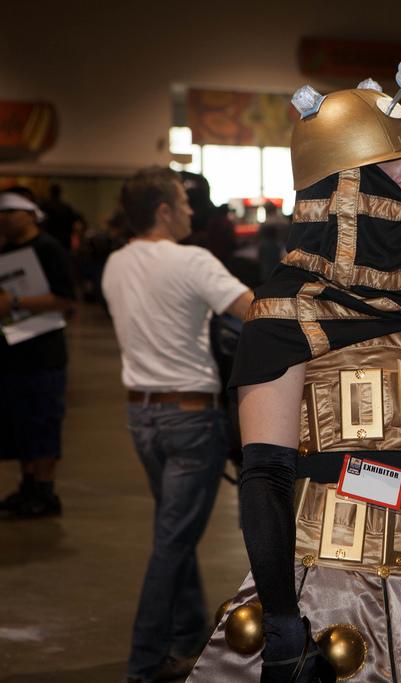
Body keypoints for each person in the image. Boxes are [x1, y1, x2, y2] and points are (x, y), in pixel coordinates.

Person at [188, 81, 401, 683]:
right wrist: (281, 621)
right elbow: (267, 478)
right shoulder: (286, 312)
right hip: (324, 592)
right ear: (339, 190)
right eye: (387, 166)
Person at [102, 166, 253, 683]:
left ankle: (189, 640)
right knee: (172, 541)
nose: (193, 213)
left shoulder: (115, 264)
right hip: (190, 418)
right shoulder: (191, 260)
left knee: (175, 531)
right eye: (185, 205)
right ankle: (144, 665)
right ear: (164, 211)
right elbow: (252, 310)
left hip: (140, 416)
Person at [0, 190, 75, 518]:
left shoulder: (48, 248)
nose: (3, 219)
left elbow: (65, 297)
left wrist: (16, 303)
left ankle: (45, 489)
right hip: (13, 350)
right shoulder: (6, 250)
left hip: (43, 352)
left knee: (44, 419)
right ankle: (28, 484)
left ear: (29, 214)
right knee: (20, 424)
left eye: (10, 212)